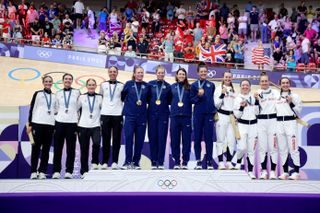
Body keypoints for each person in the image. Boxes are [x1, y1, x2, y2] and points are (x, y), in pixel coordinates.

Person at [52, 73, 81, 179]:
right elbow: (55, 108)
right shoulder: (58, 93)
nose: (68, 80)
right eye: (66, 79)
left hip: (72, 123)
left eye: (70, 79)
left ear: (72, 81)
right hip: (59, 122)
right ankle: (56, 171)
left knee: (71, 148)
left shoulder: (77, 92)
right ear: (62, 80)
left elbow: (79, 107)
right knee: (58, 148)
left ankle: (69, 171)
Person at [27, 76, 56, 179]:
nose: (48, 83)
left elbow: (56, 110)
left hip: (50, 125)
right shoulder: (38, 93)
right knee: (36, 148)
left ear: (52, 83)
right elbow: (32, 108)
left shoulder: (54, 96)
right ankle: (33, 171)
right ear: (43, 83)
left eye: (50, 81)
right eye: (46, 81)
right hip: (37, 123)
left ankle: (42, 171)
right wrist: (30, 124)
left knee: (46, 149)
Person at [121, 66, 149, 169]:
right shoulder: (128, 84)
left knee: (139, 140)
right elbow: (123, 97)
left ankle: (136, 162)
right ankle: (127, 161)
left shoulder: (147, 86)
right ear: (134, 74)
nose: (140, 74)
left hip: (141, 117)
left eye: (142, 72)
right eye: (138, 72)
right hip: (130, 116)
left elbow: (149, 99)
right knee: (128, 139)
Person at [190, 63, 216, 170]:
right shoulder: (194, 85)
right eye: (201, 71)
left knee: (209, 139)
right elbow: (191, 100)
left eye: (205, 71)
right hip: (198, 115)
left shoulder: (211, 85)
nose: (203, 73)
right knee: (197, 138)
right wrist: (198, 96)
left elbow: (211, 98)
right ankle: (198, 161)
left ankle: (209, 161)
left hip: (209, 115)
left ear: (207, 72)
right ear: (198, 73)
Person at [276, 77, 302, 180]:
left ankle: (296, 172)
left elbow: (299, 111)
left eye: (287, 83)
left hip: (290, 123)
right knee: (282, 149)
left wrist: (291, 103)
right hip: (279, 123)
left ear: (289, 84)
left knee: (293, 148)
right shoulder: (276, 97)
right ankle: (285, 172)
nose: (285, 84)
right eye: (283, 83)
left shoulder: (295, 96)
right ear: (280, 84)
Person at [233, 79, 259, 179]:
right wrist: (241, 107)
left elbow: (257, 113)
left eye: (247, 85)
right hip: (242, 125)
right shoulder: (237, 99)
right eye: (243, 85)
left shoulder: (254, 97)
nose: (245, 87)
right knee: (242, 147)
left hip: (253, 125)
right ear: (240, 87)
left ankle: (251, 171)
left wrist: (257, 101)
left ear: (250, 86)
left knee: (251, 150)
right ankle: (238, 162)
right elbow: (237, 115)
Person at [255, 73, 279, 180]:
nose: (264, 83)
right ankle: (264, 171)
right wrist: (256, 101)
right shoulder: (257, 93)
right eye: (262, 81)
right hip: (261, 121)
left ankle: (273, 172)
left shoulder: (275, 92)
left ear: (269, 81)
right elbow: (255, 111)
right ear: (259, 82)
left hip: (273, 120)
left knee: (273, 147)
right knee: (262, 148)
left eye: (266, 81)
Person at [100, 66, 124, 170]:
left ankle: (115, 161)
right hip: (105, 114)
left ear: (117, 73)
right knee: (105, 139)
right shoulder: (103, 85)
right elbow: (100, 98)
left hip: (117, 115)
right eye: (111, 72)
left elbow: (123, 99)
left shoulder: (121, 85)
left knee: (116, 139)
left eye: (114, 71)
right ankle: (105, 161)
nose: (113, 73)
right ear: (108, 73)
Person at [77, 79, 103, 178]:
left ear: (96, 86)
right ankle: (84, 171)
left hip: (96, 125)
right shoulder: (81, 97)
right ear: (86, 86)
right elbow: (75, 109)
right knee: (84, 149)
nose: (91, 86)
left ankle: (94, 162)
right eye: (89, 85)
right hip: (83, 126)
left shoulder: (100, 97)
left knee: (96, 144)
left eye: (93, 84)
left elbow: (103, 109)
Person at [147, 65, 171, 169]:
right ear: (156, 73)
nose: (161, 74)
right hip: (151, 114)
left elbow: (170, 100)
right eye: (159, 72)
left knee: (162, 139)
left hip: (163, 116)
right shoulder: (150, 84)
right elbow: (147, 98)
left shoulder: (168, 86)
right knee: (152, 138)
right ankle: (153, 161)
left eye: (162, 73)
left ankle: (160, 162)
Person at [170, 68, 192, 170]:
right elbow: (169, 100)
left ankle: (186, 162)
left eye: (183, 74)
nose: (181, 76)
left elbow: (194, 99)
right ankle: (177, 162)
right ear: (177, 75)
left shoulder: (190, 88)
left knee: (186, 141)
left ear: (185, 76)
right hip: (174, 117)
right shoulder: (172, 87)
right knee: (175, 141)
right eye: (180, 74)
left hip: (186, 117)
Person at [214, 71, 236, 170]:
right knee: (221, 140)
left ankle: (229, 161)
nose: (228, 79)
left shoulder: (233, 90)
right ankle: (221, 162)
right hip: (221, 115)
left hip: (231, 117)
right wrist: (222, 94)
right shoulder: (218, 89)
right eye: (226, 77)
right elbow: (216, 104)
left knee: (231, 140)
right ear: (223, 78)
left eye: (229, 77)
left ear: (232, 78)